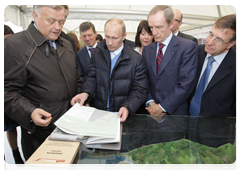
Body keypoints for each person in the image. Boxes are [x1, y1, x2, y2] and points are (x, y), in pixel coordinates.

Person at [4, 5, 82, 160]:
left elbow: (76, 77)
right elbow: (7, 91)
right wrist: (30, 112)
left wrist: (81, 95)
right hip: (39, 135)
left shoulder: (66, 44)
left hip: (70, 130)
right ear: (35, 15)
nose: (57, 27)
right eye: (51, 21)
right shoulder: (14, 45)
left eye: (61, 21)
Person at [71, 18, 148, 122]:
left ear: (124, 36)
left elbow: (140, 89)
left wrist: (127, 107)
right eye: (107, 37)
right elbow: (91, 77)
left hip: (122, 115)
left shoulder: (136, 59)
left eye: (115, 38)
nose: (110, 42)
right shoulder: (97, 53)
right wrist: (85, 92)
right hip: (99, 113)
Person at [142, 5, 198, 116]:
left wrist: (162, 107)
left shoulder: (187, 47)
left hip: (175, 115)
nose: (154, 32)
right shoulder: (147, 50)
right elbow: (144, 79)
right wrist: (150, 103)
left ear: (171, 24)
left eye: (159, 27)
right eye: (151, 27)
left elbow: (186, 84)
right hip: (150, 112)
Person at [189, 14, 238, 117]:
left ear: (231, 44)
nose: (210, 42)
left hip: (216, 128)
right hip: (186, 122)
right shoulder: (195, 52)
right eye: (211, 34)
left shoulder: (236, 65)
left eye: (219, 40)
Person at [4, 25, 24, 169]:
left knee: (16, 126)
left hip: (15, 95)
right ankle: (8, 157)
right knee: (9, 127)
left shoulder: (17, 51)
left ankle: (17, 152)